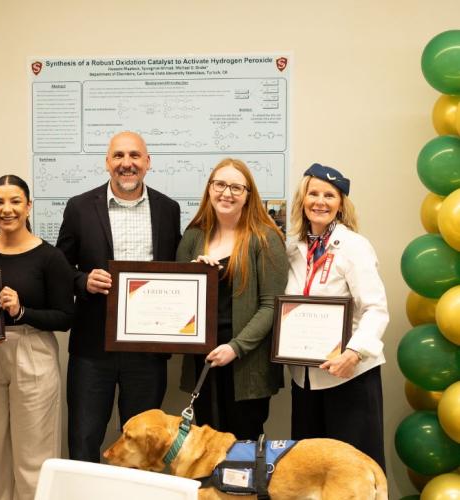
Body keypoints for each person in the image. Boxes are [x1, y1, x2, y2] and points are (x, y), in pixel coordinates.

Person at [56, 131, 181, 462]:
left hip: (148, 349)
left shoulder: (169, 209)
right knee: (84, 437)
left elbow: (180, 272)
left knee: (144, 446)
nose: (127, 163)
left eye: (135, 156)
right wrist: (83, 280)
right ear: (107, 162)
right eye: (119, 156)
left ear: (148, 162)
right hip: (92, 348)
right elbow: (59, 268)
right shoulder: (80, 207)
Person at [0, 174, 74, 499]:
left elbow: (66, 317)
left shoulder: (50, 257)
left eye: (14, 202)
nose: (6, 209)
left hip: (32, 352)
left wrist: (22, 311)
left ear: (28, 206)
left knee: (33, 455)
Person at [285, 163, 388, 470]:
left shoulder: (354, 246)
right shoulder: (293, 248)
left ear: (341, 203)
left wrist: (354, 353)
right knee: (310, 471)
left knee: (354, 471)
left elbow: (376, 308)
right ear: (302, 200)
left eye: (329, 195)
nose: (320, 201)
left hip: (349, 376)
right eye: (313, 193)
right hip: (305, 380)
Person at [177, 158, 288, 440]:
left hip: (245, 363)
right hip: (202, 360)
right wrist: (194, 273)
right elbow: (178, 297)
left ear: (249, 195)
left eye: (236, 187)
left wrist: (235, 347)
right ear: (209, 189)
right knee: (206, 445)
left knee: (242, 448)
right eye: (220, 185)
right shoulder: (193, 236)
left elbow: (271, 305)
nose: (227, 193)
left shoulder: (265, 238)